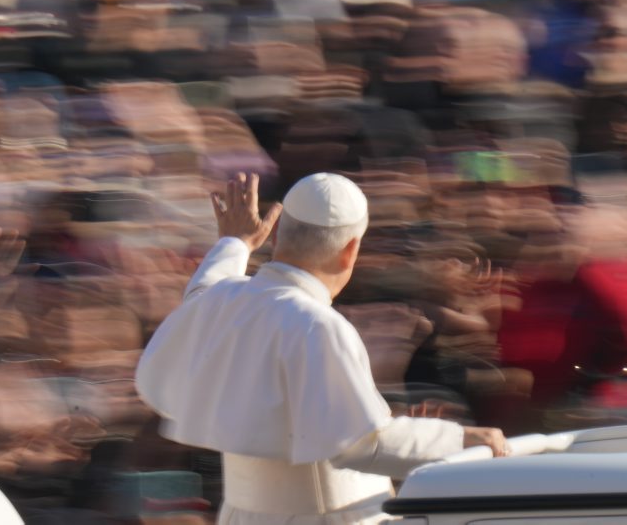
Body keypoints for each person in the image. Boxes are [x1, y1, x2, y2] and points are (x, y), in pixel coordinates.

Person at [136, 172, 508, 525]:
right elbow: (359, 445)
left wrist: (234, 243)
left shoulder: (222, 302)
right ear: (350, 250)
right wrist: (463, 438)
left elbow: (203, 290)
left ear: (278, 231)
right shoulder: (318, 325)